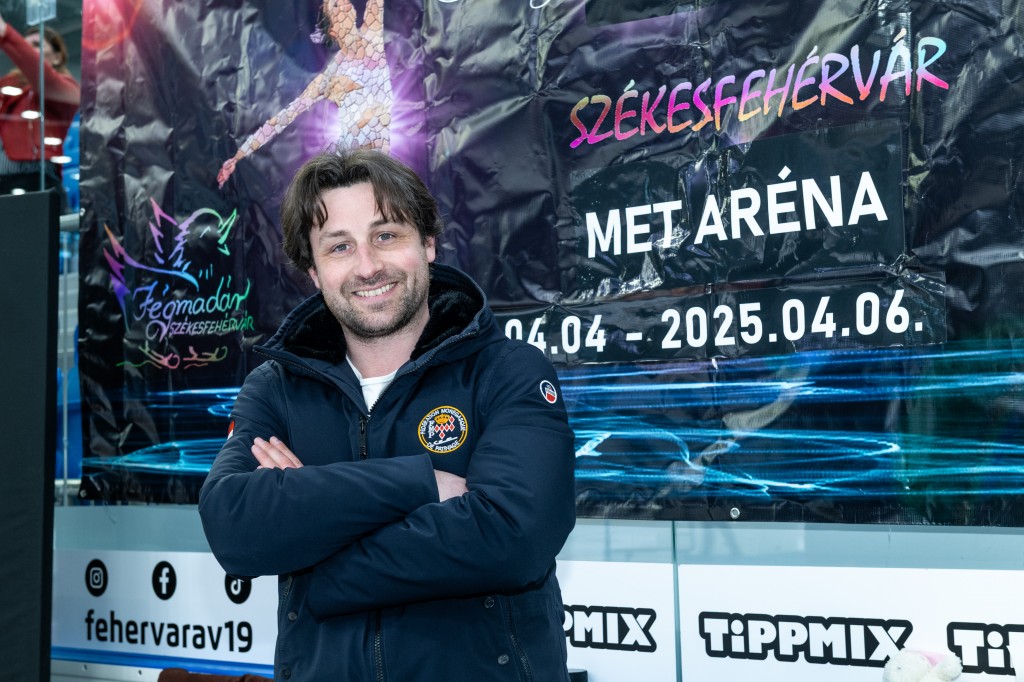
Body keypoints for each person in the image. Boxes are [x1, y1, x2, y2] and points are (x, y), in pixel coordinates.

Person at [199, 148, 576, 681]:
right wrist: (418, 483)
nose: (368, 266)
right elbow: (233, 527)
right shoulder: (276, 389)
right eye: (340, 247)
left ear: (428, 244)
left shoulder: (506, 370)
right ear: (314, 272)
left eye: (386, 235)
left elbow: (515, 539)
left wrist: (318, 559)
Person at [217, 0, 392, 188]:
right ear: (332, 30)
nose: (343, 3)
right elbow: (283, 117)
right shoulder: (330, 76)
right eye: (335, 6)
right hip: (350, 168)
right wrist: (238, 156)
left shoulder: (372, 35)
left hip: (378, 164)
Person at [0, 13, 80, 205]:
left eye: (36, 45)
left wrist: (7, 36)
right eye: (24, 44)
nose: (26, 49)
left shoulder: (66, 87)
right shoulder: (7, 88)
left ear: (57, 57)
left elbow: (46, 81)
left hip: (38, 181)